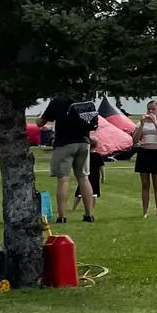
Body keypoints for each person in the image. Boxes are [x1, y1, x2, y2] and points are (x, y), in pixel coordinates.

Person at [42, 92, 98, 223]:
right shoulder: (84, 98)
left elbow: (41, 122)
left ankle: (62, 216)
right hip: (84, 142)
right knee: (84, 177)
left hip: (65, 143)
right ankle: (89, 215)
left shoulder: (59, 100)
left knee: (63, 179)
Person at [132, 99, 157, 216]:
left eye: (153, 109)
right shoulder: (141, 123)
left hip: (156, 153)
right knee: (145, 184)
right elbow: (135, 139)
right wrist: (142, 125)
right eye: (149, 109)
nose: (151, 111)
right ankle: (145, 212)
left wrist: (155, 122)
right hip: (144, 153)